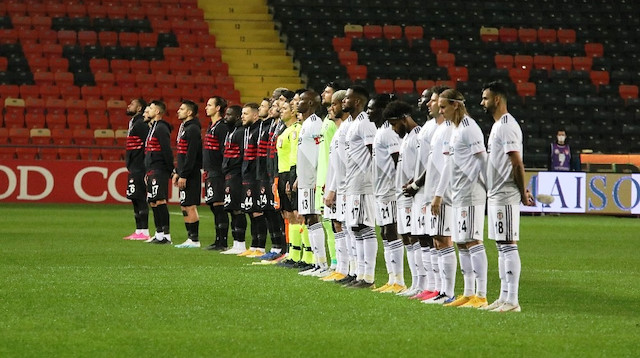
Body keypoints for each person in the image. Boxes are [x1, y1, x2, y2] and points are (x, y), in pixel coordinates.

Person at [429, 88, 488, 306]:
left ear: (456, 105)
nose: (441, 111)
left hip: (471, 192)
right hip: (457, 193)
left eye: (444, 106)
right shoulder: (453, 129)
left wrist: (490, 188)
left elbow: (483, 159)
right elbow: (448, 165)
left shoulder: (469, 129)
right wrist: (438, 195)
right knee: (462, 243)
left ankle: (481, 295)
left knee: (472, 241)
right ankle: (469, 293)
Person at [481, 81, 535, 312]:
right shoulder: (497, 127)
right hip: (496, 193)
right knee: (501, 246)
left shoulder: (506, 125)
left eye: (485, 98)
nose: (481, 102)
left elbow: (516, 162)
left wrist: (522, 192)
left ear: (496, 100)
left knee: (508, 244)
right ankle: (504, 297)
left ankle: (513, 300)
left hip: (505, 194)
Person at [410, 85, 456, 302]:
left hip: (443, 192)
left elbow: (447, 163)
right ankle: (436, 288)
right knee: (436, 239)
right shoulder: (435, 128)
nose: (430, 103)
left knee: (444, 239)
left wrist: (434, 191)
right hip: (431, 191)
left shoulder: (449, 129)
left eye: (434, 100)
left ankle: (447, 291)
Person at [342, 85, 378, 288]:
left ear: (357, 102)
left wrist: (373, 177)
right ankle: (360, 275)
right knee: (355, 228)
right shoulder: (353, 123)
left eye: (347, 98)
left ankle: (368, 277)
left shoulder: (365, 123)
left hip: (364, 183)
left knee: (365, 227)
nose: (344, 101)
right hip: (353, 183)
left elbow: (374, 152)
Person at [369, 95, 404, 293]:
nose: (368, 112)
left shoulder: (388, 134)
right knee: (385, 232)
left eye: (371, 109)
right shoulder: (380, 132)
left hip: (390, 191)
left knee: (391, 231)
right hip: (381, 191)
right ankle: (392, 280)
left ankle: (398, 280)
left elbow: (398, 160)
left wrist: (396, 186)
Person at [295, 90, 329, 277]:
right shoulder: (306, 124)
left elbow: (319, 153)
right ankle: (317, 263)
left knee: (313, 217)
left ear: (310, 104)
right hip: (305, 178)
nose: (297, 102)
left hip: (312, 180)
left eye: (301, 100)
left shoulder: (315, 124)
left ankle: (322, 264)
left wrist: (317, 178)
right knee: (308, 219)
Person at [321, 89, 349, 281]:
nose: (330, 109)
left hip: (345, 188)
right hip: (335, 186)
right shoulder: (339, 131)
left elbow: (344, 164)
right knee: (337, 225)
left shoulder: (346, 130)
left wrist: (334, 188)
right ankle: (341, 266)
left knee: (347, 227)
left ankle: (350, 269)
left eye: (333, 105)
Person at [255, 98, 286, 261]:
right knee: (269, 211)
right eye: (272, 105)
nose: (274, 107)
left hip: (278, 174)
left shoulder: (283, 126)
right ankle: (276, 247)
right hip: (268, 173)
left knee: (279, 213)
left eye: (276, 105)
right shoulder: (271, 126)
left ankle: (283, 248)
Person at [238, 103, 269, 257]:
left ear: (255, 115)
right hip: (248, 174)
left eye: (245, 114)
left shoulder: (258, 131)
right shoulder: (248, 131)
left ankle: (260, 246)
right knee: (251, 211)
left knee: (257, 211)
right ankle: (254, 244)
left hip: (256, 176)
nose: (242, 116)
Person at [173, 100, 203, 248]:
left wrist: (184, 174)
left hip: (191, 174)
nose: (178, 110)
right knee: (184, 206)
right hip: (184, 173)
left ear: (189, 112)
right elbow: (181, 154)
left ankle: (194, 239)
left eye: (182, 108)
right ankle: (190, 238)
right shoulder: (184, 128)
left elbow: (191, 155)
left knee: (190, 206)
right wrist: (177, 173)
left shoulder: (192, 130)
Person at [318, 81, 341, 271]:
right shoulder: (326, 120)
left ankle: (337, 262)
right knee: (327, 222)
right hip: (323, 177)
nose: (323, 94)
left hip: (331, 178)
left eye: (327, 92)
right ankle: (334, 260)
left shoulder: (336, 124)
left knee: (335, 222)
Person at [143, 100, 174, 244]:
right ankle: (159, 233)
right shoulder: (152, 128)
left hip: (159, 169)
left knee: (160, 200)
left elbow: (166, 150)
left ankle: (166, 235)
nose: (147, 110)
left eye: (150, 108)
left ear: (157, 112)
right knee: (153, 201)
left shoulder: (161, 128)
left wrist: (169, 170)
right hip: (151, 169)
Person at [203, 96, 230, 250]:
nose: (206, 107)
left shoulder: (222, 127)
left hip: (218, 172)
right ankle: (218, 239)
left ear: (218, 108)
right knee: (214, 205)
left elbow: (224, 151)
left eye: (209, 105)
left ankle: (223, 241)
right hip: (210, 171)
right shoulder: (211, 126)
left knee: (219, 205)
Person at [220, 105, 248, 254]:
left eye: (229, 114)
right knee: (232, 209)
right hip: (230, 175)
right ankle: (236, 243)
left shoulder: (241, 132)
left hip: (237, 175)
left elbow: (243, 155)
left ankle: (241, 243)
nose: (226, 117)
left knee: (238, 210)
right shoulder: (232, 132)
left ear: (237, 117)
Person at [123, 98, 150, 241]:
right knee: (134, 197)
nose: (129, 105)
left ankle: (144, 230)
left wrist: (146, 166)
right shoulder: (134, 122)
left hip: (140, 166)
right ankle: (139, 230)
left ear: (139, 108)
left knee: (139, 198)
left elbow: (147, 145)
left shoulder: (141, 124)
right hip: (134, 166)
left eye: (132, 104)